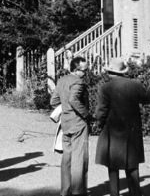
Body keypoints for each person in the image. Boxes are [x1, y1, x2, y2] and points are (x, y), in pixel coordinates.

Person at [94, 57, 150, 196]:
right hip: (132, 129)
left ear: (109, 72)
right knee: (132, 164)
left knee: (113, 165)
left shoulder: (105, 87)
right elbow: (147, 99)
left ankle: (115, 194)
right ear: (123, 71)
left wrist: (98, 124)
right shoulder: (135, 85)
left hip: (112, 129)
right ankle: (135, 193)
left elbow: (101, 110)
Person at [51, 55, 91, 196]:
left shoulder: (62, 80)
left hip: (65, 123)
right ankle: (78, 192)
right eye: (84, 70)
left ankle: (65, 191)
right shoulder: (78, 82)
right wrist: (86, 114)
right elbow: (74, 100)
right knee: (79, 160)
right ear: (76, 69)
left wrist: (65, 108)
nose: (85, 73)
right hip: (78, 123)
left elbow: (53, 100)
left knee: (66, 158)